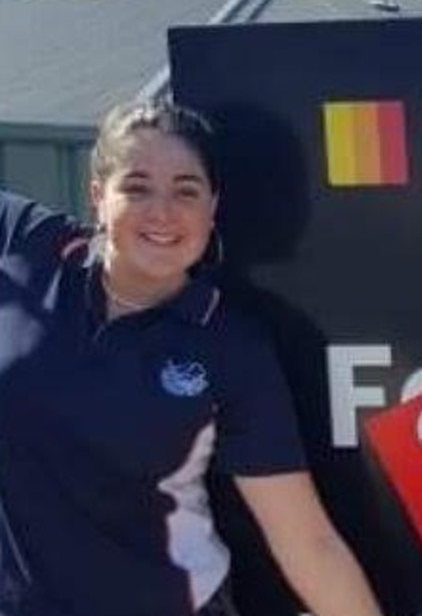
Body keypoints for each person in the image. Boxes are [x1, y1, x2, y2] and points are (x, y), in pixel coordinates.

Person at [0, 100, 384, 616]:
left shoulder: (230, 347)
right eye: (137, 188)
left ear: (212, 207)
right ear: (98, 197)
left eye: (186, 190)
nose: (162, 212)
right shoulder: (29, 247)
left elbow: (307, 542)